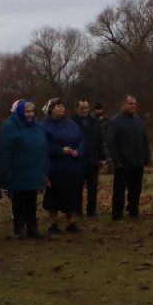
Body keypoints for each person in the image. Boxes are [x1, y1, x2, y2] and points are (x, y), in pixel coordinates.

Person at [0, 99, 49, 239]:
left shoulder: (37, 126)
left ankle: (32, 228)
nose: (30, 114)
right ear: (20, 112)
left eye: (32, 111)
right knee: (19, 201)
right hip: (18, 172)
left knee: (32, 201)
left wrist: (44, 170)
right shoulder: (9, 127)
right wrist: (6, 172)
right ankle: (19, 229)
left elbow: (43, 148)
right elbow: (4, 151)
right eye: (27, 111)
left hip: (34, 171)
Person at [41, 98, 84, 234]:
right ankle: (53, 224)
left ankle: (70, 223)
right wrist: (60, 150)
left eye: (62, 106)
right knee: (53, 197)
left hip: (71, 167)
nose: (61, 108)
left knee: (70, 196)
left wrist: (79, 151)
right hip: (54, 168)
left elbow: (81, 139)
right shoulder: (44, 124)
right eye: (58, 106)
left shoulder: (71, 123)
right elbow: (43, 144)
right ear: (51, 109)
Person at [106, 93, 151, 221]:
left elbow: (144, 140)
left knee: (136, 190)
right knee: (119, 190)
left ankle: (133, 211)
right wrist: (116, 160)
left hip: (138, 162)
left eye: (135, 104)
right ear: (123, 105)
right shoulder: (115, 121)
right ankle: (117, 214)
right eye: (130, 103)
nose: (133, 106)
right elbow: (110, 142)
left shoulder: (138, 120)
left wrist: (147, 156)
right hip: (123, 163)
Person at [74, 99, 104, 216]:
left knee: (92, 189)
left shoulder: (95, 122)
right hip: (78, 161)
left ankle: (91, 211)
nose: (85, 110)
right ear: (77, 109)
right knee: (77, 188)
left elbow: (100, 140)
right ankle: (77, 210)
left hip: (93, 160)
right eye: (82, 108)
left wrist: (102, 157)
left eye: (86, 107)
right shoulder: (72, 122)